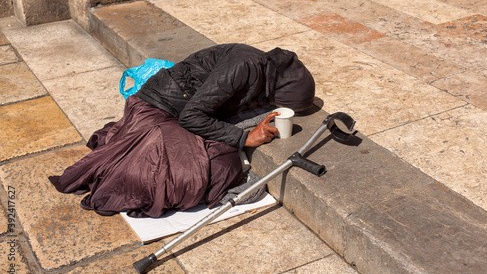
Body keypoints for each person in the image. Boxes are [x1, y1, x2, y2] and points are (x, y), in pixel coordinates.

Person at [49, 43, 315, 218]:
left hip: (174, 113)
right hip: (155, 111)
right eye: (281, 102)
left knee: (220, 158)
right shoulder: (245, 66)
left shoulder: (261, 70)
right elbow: (192, 116)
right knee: (217, 166)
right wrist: (245, 137)